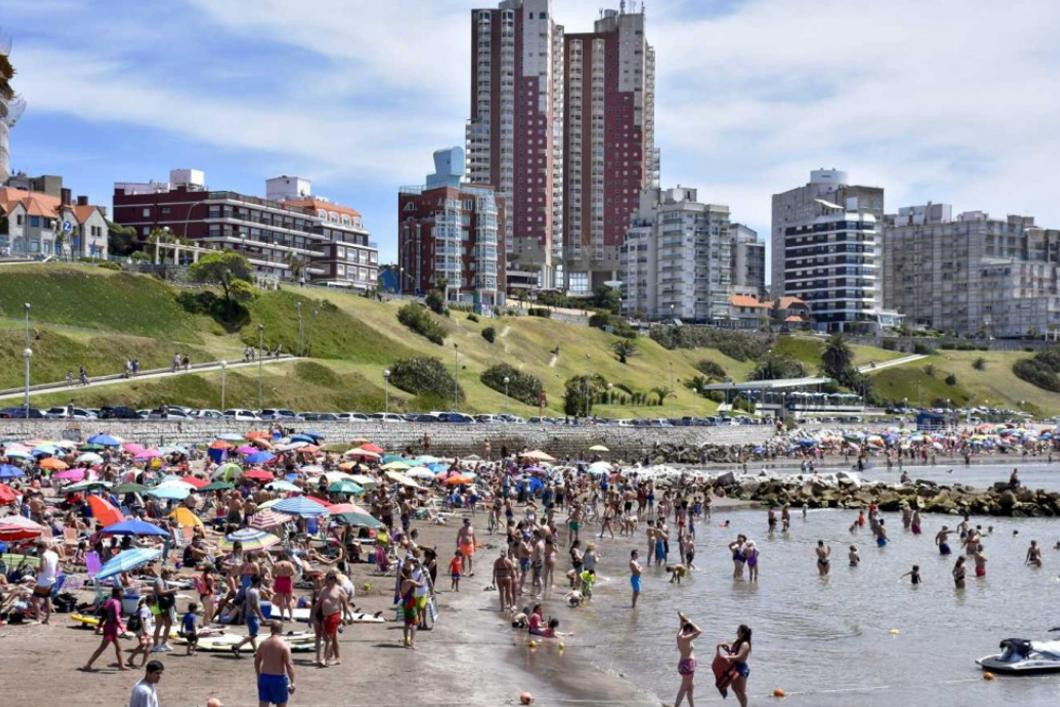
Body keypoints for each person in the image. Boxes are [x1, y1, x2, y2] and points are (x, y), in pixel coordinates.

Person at [82, 586, 128, 671]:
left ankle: (121, 665)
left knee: (118, 647)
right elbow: (117, 617)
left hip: (109, 627)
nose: (123, 594)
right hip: (111, 628)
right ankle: (88, 664)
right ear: (118, 593)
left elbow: (103, 616)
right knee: (102, 647)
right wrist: (123, 628)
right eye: (122, 592)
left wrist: (99, 626)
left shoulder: (108, 601)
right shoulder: (116, 603)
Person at [255, 621, 296, 707]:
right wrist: (293, 682)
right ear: (281, 630)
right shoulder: (284, 645)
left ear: (271, 629)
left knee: (263, 704)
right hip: (278, 679)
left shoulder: (263, 643)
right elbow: (289, 665)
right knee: (281, 704)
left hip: (264, 677)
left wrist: (259, 676)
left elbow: (257, 661)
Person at [314, 570, 347, 665]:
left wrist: (344, 617)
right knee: (332, 638)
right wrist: (313, 616)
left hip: (335, 615)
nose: (326, 581)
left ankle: (324, 658)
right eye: (326, 579)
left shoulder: (339, 589)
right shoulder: (324, 590)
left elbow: (344, 604)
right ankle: (337, 657)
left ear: (333, 580)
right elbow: (319, 604)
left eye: (328, 579)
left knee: (329, 638)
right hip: (325, 617)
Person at [231, 575, 267, 657]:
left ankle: (256, 651)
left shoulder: (248, 589)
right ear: (258, 582)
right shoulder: (254, 592)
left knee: (252, 634)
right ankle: (237, 646)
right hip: (252, 615)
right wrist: (262, 617)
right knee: (254, 635)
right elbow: (255, 606)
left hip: (248, 614)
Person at [717, 625, 752, 707]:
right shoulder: (738, 641)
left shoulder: (745, 644)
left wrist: (727, 657)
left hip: (742, 669)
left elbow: (739, 656)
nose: (736, 632)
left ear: (743, 633)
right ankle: (742, 705)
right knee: (734, 688)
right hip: (733, 667)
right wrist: (725, 647)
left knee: (742, 691)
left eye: (738, 631)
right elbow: (732, 650)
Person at [674, 611, 702, 707]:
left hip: (683, 664)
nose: (692, 632)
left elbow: (681, 627)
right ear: (688, 630)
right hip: (688, 665)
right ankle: (676, 706)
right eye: (691, 630)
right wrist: (690, 622)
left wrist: (682, 619)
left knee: (690, 687)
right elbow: (699, 631)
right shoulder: (686, 638)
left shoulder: (679, 636)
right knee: (684, 688)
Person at [33, 538, 59, 624]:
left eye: (38, 550)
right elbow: (57, 568)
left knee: (34, 599)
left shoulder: (44, 556)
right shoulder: (55, 555)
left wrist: (35, 568)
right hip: (51, 580)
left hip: (43, 581)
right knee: (48, 599)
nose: (38, 552)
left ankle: (38, 619)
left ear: (41, 548)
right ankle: (47, 619)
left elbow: (42, 569)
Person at [152, 567, 177, 652]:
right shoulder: (159, 580)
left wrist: (172, 591)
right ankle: (155, 645)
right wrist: (172, 590)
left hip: (161, 605)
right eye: (170, 574)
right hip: (156, 605)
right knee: (159, 624)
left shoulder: (164, 581)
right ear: (166, 573)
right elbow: (160, 592)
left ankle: (164, 643)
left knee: (168, 623)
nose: (170, 576)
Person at [127, 596, 156, 668]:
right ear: (151, 602)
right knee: (149, 645)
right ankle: (143, 663)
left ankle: (131, 658)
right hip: (145, 630)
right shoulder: (145, 609)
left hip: (142, 630)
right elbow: (141, 619)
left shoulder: (142, 607)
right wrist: (144, 631)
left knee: (142, 645)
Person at [272, 553, 295, 621]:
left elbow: (273, 574)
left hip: (279, 580)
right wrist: (287, 575)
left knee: (281, 601)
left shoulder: (276, 564)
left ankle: (282, 618)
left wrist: (278, 576)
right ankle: (291, 617)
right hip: (287, 580)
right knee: (289, 601)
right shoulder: (289, 563)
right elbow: (293, 572)